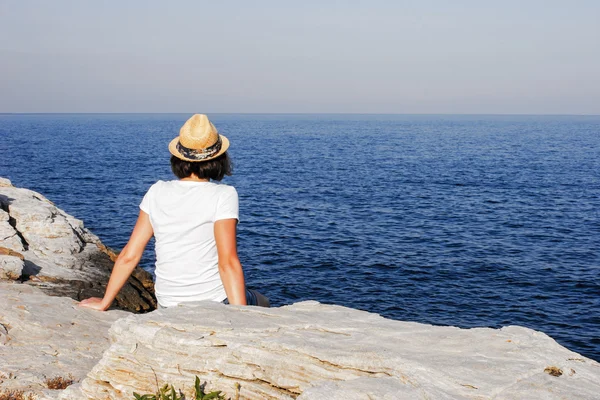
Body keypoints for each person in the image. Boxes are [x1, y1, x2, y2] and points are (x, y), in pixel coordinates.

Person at [80, 114, 267, 310]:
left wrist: (104, 302)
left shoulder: (157, 191)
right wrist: (241, 317)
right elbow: (227, 262)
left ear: (179, 158)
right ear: (219, 158)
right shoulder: (224, 195)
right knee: (262, 301)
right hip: (214, 302)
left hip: (168, 303)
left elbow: (129, 255)